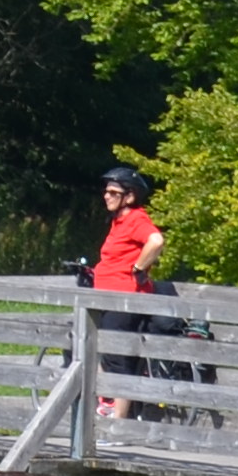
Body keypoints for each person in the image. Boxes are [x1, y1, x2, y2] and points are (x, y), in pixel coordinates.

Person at [89, 163, 168, 417]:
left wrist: (139, 267)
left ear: (129, 196)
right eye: (107, 191)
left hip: (125, 299)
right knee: (108, 354)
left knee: (119, 359)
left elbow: (156, 241)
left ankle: (119, 423)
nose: (107, 196)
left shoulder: (135, 219)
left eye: (113, 192)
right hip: (111, 298)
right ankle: (105, 411)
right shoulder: (119, 222)